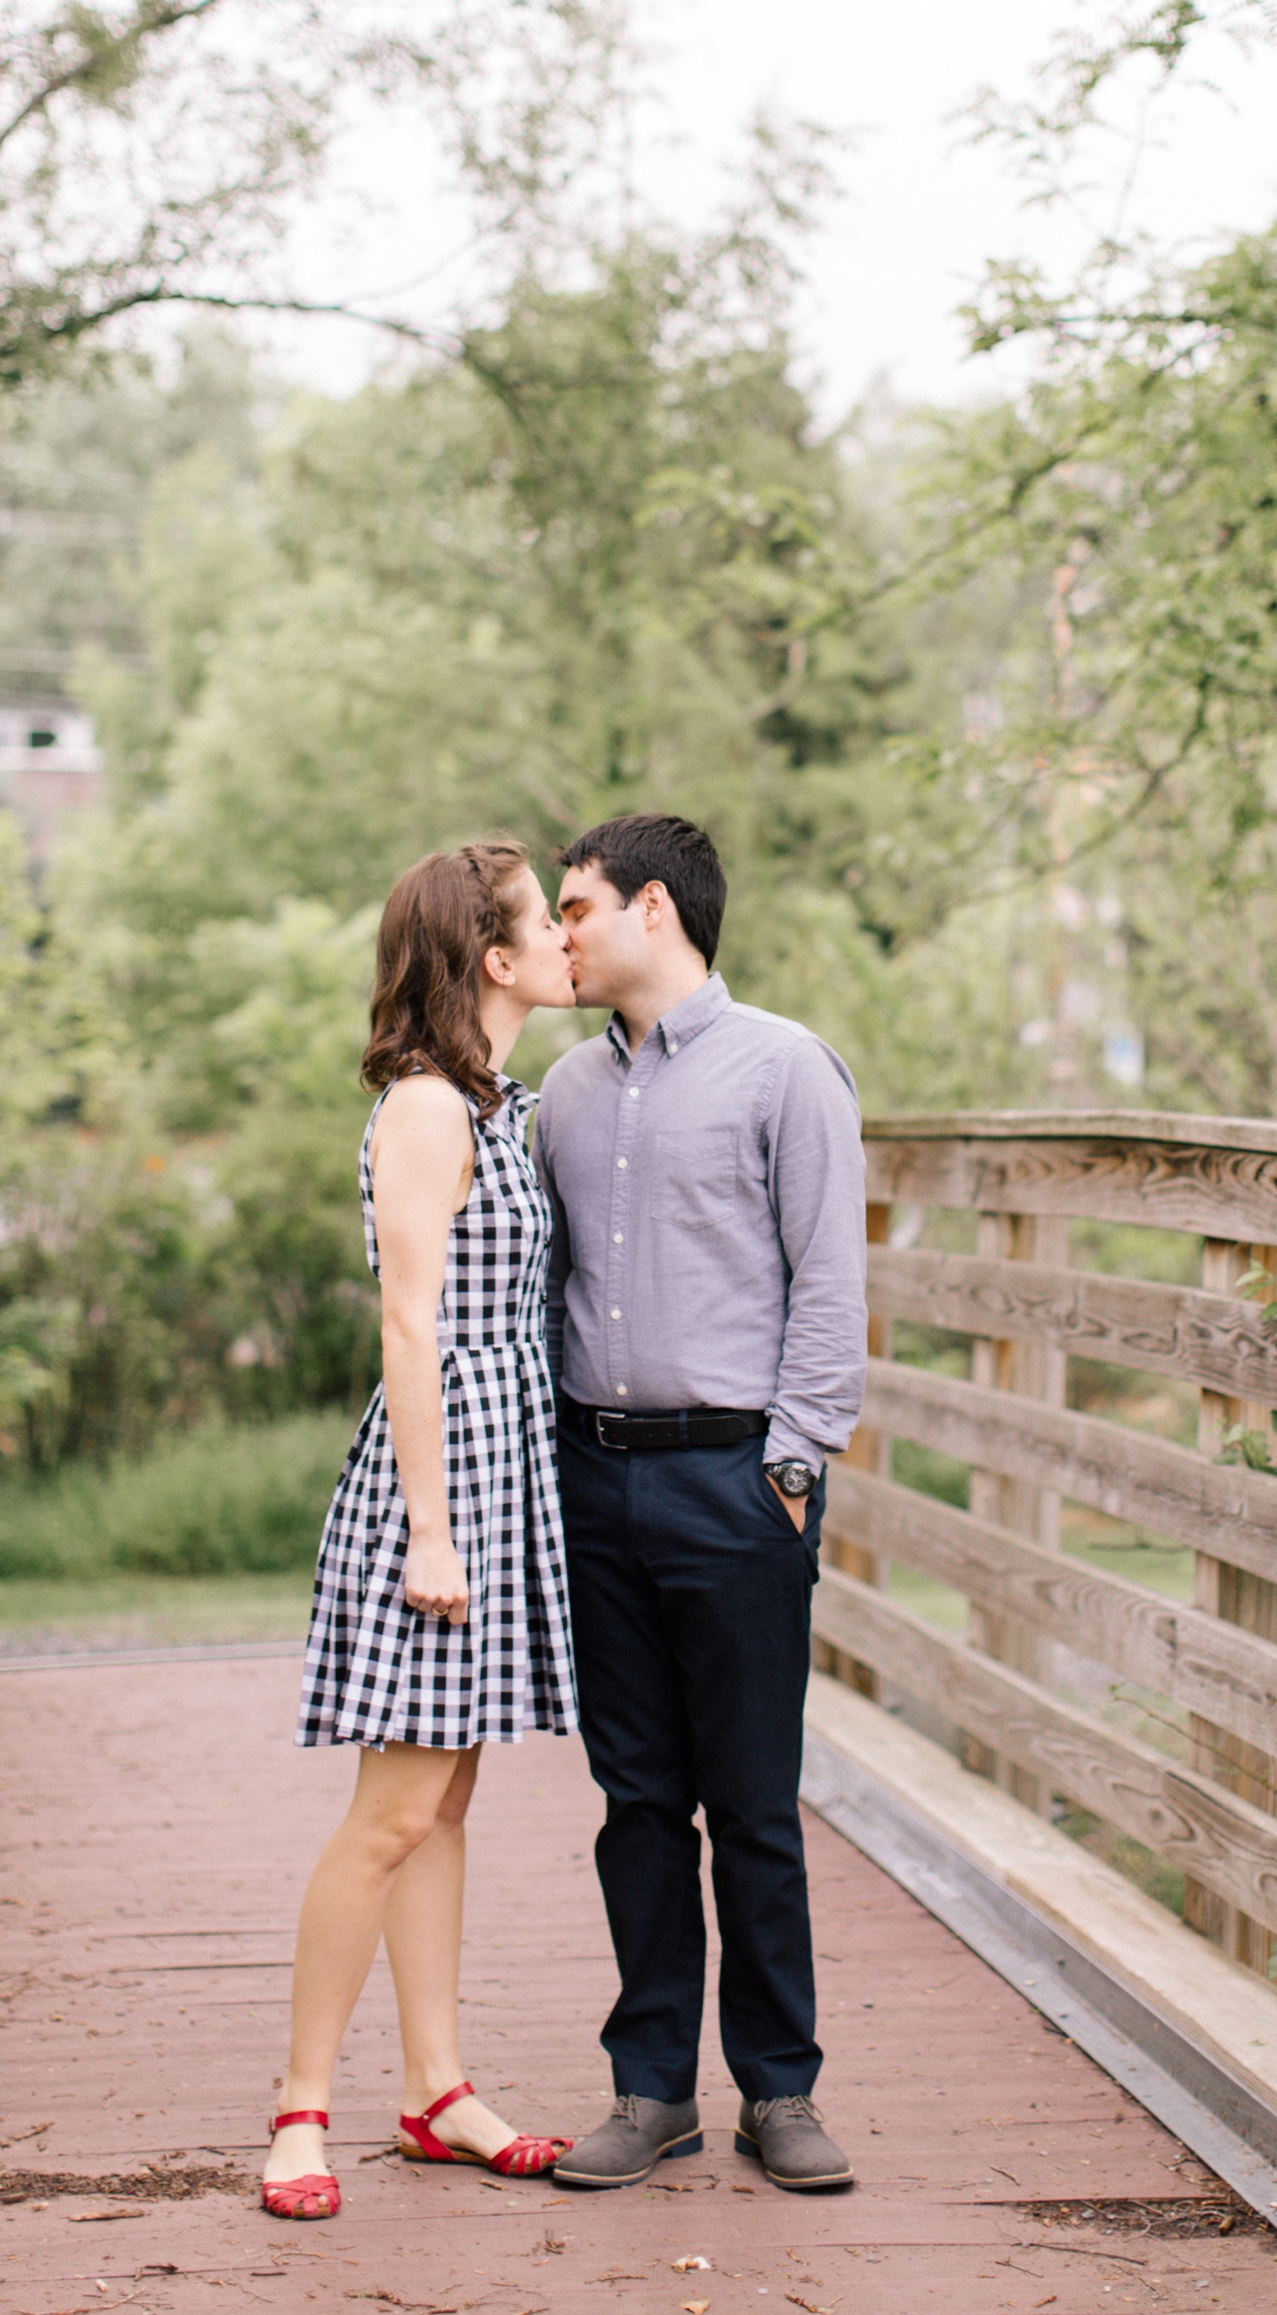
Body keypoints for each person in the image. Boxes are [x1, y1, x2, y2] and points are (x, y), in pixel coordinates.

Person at [535, 814, 868, 2196]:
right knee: (635, 1803)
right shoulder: (559, 1093)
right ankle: (652, 2087)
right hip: (592, 1477)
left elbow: (830, 1282)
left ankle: (780, 2092)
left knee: (753, 1806)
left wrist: (792, 1465)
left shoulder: (786, 1069)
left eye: (575, 908)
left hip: (737, 1482)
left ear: (652, 909)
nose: (558, 934)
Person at [261, 840, 580, 2222]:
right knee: (390, 1814)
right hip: (435, 1487)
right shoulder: (425, 1111)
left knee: (446, 1798)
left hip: (502, 1471)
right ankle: (300, 2111)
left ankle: (437, 2087)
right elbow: (411, 1321)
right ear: (494, 960)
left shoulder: (492, 1103)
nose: (573, 940)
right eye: (544, 925)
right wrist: (435, 1533)